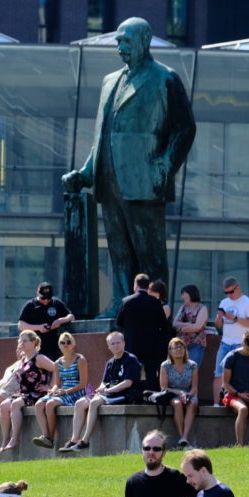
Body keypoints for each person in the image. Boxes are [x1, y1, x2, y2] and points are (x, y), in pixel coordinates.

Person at [61, 17, 196, 302]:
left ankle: (155, 304)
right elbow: (102, 134)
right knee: (119, 250)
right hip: (109, 181)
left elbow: (185, 129)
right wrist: (86, 173)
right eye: (118, 41)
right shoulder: (110, 81)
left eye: (126, 41)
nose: (120, 47)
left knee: (149, 252)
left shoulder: (165, 78)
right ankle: (122, 303)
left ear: (145, 41)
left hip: (145, 181)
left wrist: (165, 165)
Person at [60, 332, 142, 453]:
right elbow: (104, 382)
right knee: (79, 403)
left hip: (125, 394)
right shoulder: (110, 362)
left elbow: (128, 383)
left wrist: (108, 390)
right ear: (108, 346)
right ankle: (74, 439)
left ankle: (85, 441)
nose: (116, 346)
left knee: (94, 402)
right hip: (108, 393)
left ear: (124, 343)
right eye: (112, 343)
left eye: (118, 342)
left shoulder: (131, 359)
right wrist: (100, 389)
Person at [0, 331, 55, 452]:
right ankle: (5, 439)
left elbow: (57, 369)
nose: (21, 343)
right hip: (23, 393)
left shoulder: (39, 358)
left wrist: (50, 387)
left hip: (36, 393)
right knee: (3, 405)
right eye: (20, 341)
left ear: (34, 342)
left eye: (24, 341)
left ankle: (15, 438)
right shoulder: (23, 359)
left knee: (16, 404)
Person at [33, 332, 89, 449]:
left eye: (68, 342)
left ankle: (51, 438)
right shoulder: (57, 362)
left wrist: (65, 392)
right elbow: (57, 384)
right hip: (62, 390)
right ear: (59, 345)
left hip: (76, 391)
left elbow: (83, 384)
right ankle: (46, 435)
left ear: (73, 344)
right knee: (39, 404)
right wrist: (52, 390)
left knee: (50, 404)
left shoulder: (80, 359)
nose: (65, 345)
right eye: (62, 342)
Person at [117, 273, 170, 391]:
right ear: (148, 286)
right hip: (151, 344)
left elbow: (119, 322)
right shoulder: (155, 302)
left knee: (131, 372)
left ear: (136, 285)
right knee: (151, 373)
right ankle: (152, 396)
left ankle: (132, 395)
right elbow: (163, 324)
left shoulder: (126, 301)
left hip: (132, 343)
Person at [213, 277, 249, 405]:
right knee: (218, 374)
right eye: (226, 292)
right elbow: (218, 325)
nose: (229, 295)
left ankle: (240, 402)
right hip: (225, 343)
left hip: (240, 344)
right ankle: (216, 404)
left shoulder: (248, 303)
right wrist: (219, 318)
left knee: (239, 376)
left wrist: (235, 318)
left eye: (231, 292)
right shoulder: (224, 302)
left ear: (238, 287)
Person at [17, 282, 74, 359]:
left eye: (48, 298)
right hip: (34, 348)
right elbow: (20, 325)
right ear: (37, 293)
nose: (46, 300)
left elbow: (71, 316)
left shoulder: (56, 303)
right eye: (43, 298)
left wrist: (60, 321)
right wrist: (38, 327)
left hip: (52, 348)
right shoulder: (30, 305)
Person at [159, 337, 199, 449]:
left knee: (193, 402)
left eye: (181, 347)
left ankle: (184, 437)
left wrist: (188, 395)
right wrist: (180, 393)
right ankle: (182, 437)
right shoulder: (165, 365)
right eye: (175, 348)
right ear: (170, 351)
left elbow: (194, 387)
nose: (178, 350)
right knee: (177, 403)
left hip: (188, 394)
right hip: (171, 393)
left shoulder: (193, 365)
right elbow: (164, 388)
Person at [172, 284, 209, 368]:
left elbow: (197, 327)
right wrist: (189, 324)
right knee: (179, 370)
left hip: (196, 345)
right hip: (181, 345)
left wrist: (182, 329)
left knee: (191, 370)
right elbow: (175, 323)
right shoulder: (183, 307)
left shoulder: (202, 308)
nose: (182, 297)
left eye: (183, 294)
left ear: (191, 293)